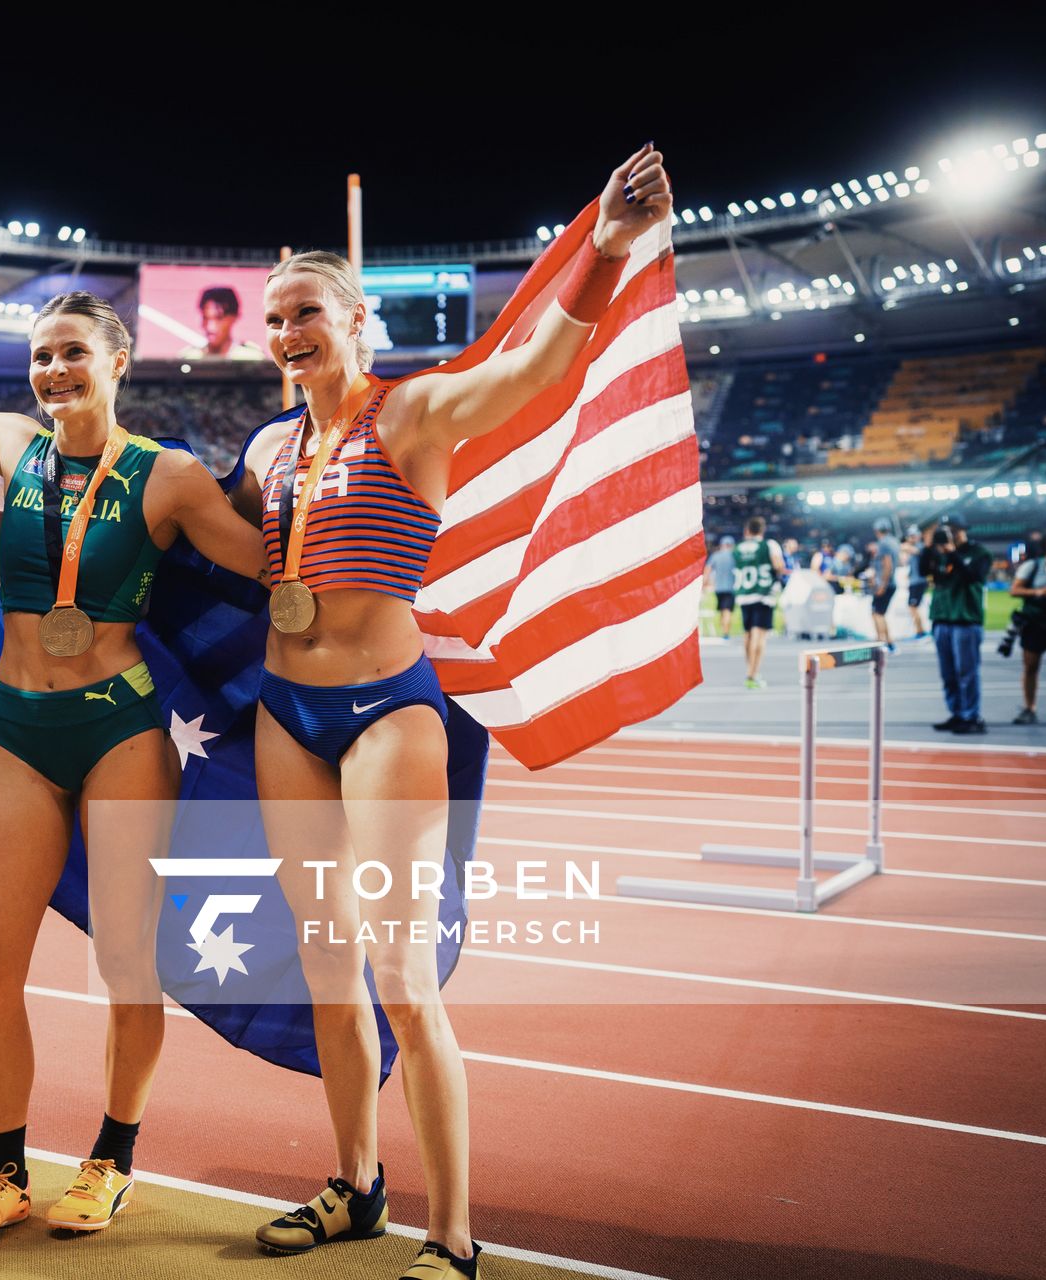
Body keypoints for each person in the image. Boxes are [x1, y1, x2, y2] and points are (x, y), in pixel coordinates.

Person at [229, 145, 671, 1280]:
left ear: (355, 319)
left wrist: (607, 250)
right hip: (288, 714)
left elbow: (531, 375)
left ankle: (454, 1232)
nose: (286, 332)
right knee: (325, 967)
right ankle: (356, 1182)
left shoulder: (415, 411)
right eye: (274, 318)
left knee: (402, 984)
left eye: (306, 312)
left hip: (387, 714)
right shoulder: (269, 446)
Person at [0, 291, 269, 1247]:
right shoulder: (17, 448)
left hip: (120, 731)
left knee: (125, 964)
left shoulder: (171, 477)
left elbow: (272, 567)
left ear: (118, 364)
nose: (54, 371)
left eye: (73, 352)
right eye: (42, 357)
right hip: (19, 732)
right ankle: (5, 1174)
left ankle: (111, 1157)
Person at [929, 515, 991, 734]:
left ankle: (971, 715)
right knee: (948, 673)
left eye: (952, 530)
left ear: (962, 529)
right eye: (945, 530)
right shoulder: (940, 554)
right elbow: (935, 578)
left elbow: (973, 577)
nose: (949, 534)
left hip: (965, 619)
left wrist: (951, 553)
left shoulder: (979, 553)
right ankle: (956, 712)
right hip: (942, 618)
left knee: (967, 672)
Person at [734, 515, 788, 689]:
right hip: (763, 594)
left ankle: (749, 670)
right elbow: (778, 566)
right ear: (762, 530)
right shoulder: (769, 545)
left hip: (744, 594)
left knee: (747, 635)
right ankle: (753, 674)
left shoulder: (739, 548)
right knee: (759, 635)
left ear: (747, 530)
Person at [1004, 529, 1046, 724]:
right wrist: (1039, 592)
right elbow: (1014, 590)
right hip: (1036, 622)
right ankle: (1029, 708)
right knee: (1031, 667)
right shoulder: (1033, 566)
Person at [178, 285, 263, 361]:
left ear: (234, 317)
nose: (210, 327)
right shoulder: (188, 358)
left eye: (218, 318)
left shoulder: (251, 358)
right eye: (205, 318)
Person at [864, 534, 899, 648]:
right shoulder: (875, 557)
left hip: (886, 586)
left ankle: (883, 642)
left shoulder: (883, 547)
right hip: (883, 586)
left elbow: (888, 566)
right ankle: (886, 641)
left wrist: (883, 586)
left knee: (878, 614)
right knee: (878, 614)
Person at [706, 534, 737, 637]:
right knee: (727, 610)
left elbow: (708, 569)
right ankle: (726, 632)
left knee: (722, 610)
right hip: (731, 588)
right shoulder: (734, 555)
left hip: (718, 588)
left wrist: (706, 581)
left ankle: (723, 630)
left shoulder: (716, 555)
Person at [904, 529, 930, 639]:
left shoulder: (920, 547)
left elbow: (912, 550)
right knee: (913, 607)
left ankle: (921, 632)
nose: (910, 538)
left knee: (913, 607)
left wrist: (904, 545)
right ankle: (919, 631)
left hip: (919, 582)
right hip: (914, 581)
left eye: (912, 536)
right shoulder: (913, 549)